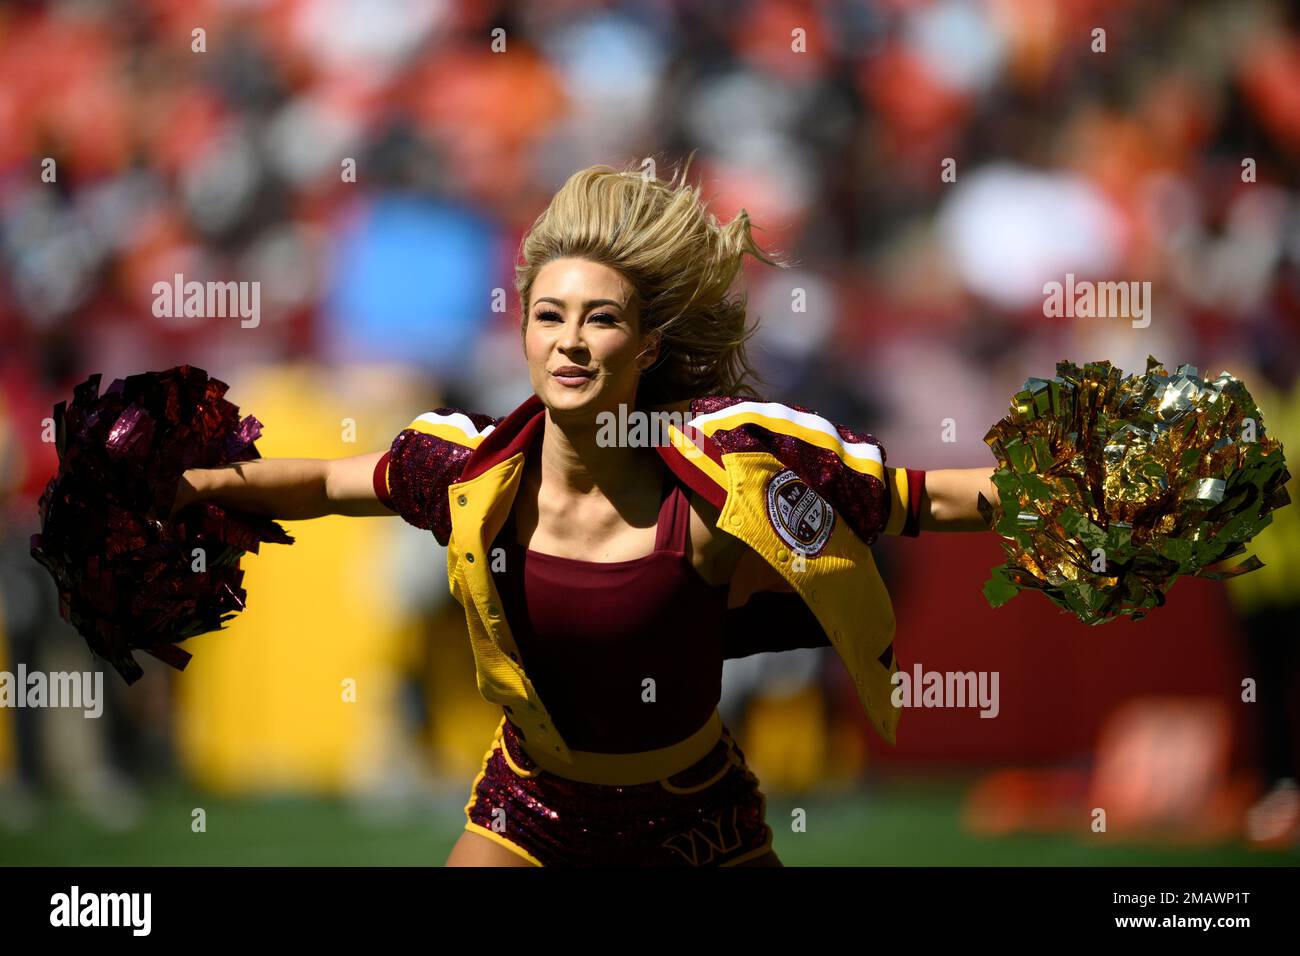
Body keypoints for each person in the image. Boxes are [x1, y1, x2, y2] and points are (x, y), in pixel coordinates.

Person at [171, 160, 998, 866]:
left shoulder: (725, 479)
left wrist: (1084, 500)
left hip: (693, 819)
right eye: (549, 316)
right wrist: (189, 485)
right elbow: (320, 484)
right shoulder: (467, 473)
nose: (570, 341)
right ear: (524, 334)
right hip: (529, 803)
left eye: (601, 318)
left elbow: (923, 499)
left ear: (647, 347)